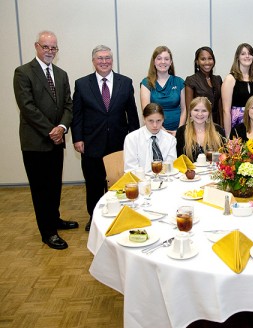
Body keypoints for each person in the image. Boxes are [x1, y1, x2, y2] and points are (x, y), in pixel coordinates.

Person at [13, 31, 77, 250]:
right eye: (46, 47)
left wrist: (61, 128)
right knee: (41, 189)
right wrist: (50, 130)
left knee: (54, 185)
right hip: (35, 142)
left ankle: (54, 219)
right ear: (36, 47)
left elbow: (68, 105)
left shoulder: (61, 74)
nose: (50, 51)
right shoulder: (23, 72)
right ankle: (48, 232)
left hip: (56, 140)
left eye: (54, 48)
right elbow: (27, 107)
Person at [72, 45, 140, 232]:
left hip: (118, 143)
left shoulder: (125, 82)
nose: (104, 61)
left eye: (107, 58)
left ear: (112, 60)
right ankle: (94, 218)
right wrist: (77, 138)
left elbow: (132, 115)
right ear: (93, 61)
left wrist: (134, 141)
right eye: (100, 58)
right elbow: (76, 115)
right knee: (94, 183)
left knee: (117, 182)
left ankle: (118, 214)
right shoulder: (82, 84)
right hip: (91, 142)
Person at [140, 46, 186, 135]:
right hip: (154, 130)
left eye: (166, 59)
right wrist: (162, 131)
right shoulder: (146, 83)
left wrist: (179, 131)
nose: (163, 62)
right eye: (159, 59)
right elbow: (146, 111)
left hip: (177, 131)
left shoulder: (179, 82)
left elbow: (184, 110)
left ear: (171, 62)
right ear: (154, 62)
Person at [124, 103, 177, 174]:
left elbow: (171, 166)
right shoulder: (132, 139)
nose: (155, 125)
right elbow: (131, 169)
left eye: (158, 121)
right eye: (150, 121)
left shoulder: (170, 139)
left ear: (163, 119)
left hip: (164, 180)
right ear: (144, 119)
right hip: (141, 181)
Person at [222, 43, 253, 137]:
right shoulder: (230, 79)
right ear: (237, 57)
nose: (247, 56)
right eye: (243, 54)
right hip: (236, 125)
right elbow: (226, 110)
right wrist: (228, 137)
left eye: (250, 53)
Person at [176, 97, 225, 162]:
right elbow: (179, 160)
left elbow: (222, 158)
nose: (200, 114)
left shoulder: (218, 130)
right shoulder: (181, 132)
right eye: (196, 110)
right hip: (189, 171)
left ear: (209, 113)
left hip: (212, 171)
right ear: (190, 111)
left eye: (204, 111)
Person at [185, 47, 223, 126]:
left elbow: (220, 106)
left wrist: (223, 126)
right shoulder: (191, 80)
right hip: (199, 123)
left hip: (216, 123)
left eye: (210, 58)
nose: (207, 62)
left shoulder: (218, 79)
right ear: (197, 62)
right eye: (203, 59)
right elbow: (189, 109)